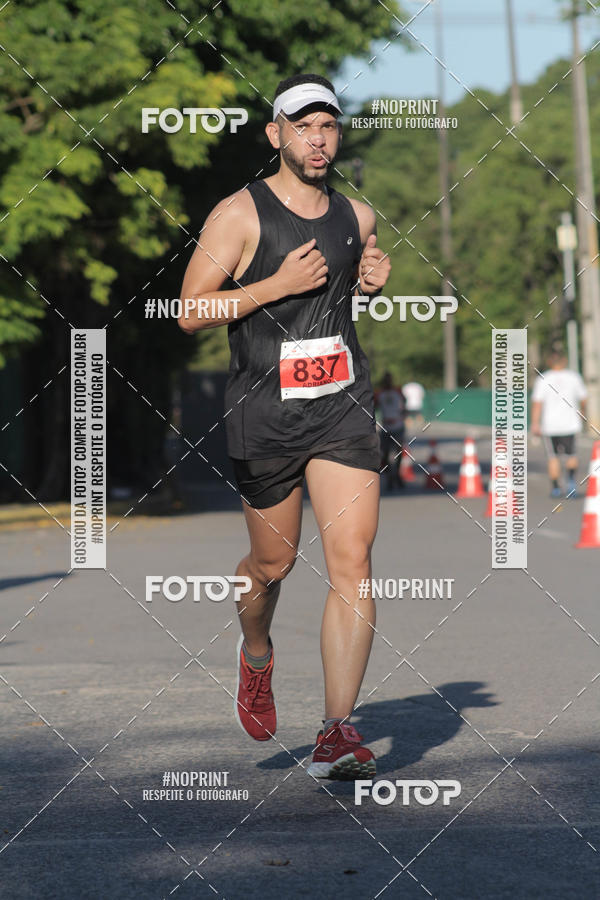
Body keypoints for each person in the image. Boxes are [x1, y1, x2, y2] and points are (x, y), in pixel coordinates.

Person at [179, 74, 391, 779]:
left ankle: (337, 730)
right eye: (303, 126)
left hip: (343, 407)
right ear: (275, 135)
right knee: (272, 566)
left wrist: (369, 280)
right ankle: (257, 653)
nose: (318, 138)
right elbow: (188, 311)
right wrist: (273, 286)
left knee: (354, 561)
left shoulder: (357, 216)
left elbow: (352, 280)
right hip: (265, 415)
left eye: (328, 125)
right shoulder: (238, 214)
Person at [531, 348, 587, 498]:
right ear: (564, 361)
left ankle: (556, 487)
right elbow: (583, 398)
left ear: (550, 362)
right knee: (572, 455)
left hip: (550, 425)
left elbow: (537, 403)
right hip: (571, 423)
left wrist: (535, 423)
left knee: (553, 457)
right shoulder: (574, 377)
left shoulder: (543, 378)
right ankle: (570, 481)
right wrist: (582, 414)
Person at [375, 372, 406, 492]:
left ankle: (397, 475)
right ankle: (390, 477)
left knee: (398, 452)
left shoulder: (397, 391)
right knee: (385, 454)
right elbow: (374, 406)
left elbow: (404, 404)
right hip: (386, 427)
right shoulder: (379, 393)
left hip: (397, 426)